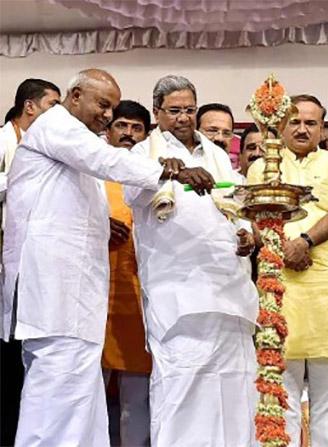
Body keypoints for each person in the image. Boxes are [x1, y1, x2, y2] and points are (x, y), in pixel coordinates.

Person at [1, 68, 212, 447]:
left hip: (76, 293)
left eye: (111, 108)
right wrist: (168, 170)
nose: (108, 115)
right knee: (55, 386)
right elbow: (108, 160)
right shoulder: (57, 126)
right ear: (76, 95)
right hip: (51, 286)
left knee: (80, 388)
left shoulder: (76, 139)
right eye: (103, 104)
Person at [125, 75, 258, 446]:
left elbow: (236, 200)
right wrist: (164, 170)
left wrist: (246, 231)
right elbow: (132, 194)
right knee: (183, 384)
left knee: (236, 383)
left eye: (189, 110)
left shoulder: (216, 153)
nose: (183, 118)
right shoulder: (144, 154)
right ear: (157, 113)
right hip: (179, 290)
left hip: (229, 288)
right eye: (174, 111)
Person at [247, 94, 328, 446]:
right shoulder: (261, 165)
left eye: (311, 122)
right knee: (284, 387)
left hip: (326, 285)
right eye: (295, 121)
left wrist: (305, 242)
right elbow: (252, 220)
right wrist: (281, 247)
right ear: (281, 125)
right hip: (279, 286)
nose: (302, 128)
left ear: (322, 128)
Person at [0, 78, 60, 446]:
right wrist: (21, 175)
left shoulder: (51, 146)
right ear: (30, 107)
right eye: (54, 105)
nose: (60, 113)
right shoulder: (4, 141)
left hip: (34, 267)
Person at [102, 100, 153, 446]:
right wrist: (97, 225)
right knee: (88, 393)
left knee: (136, 398)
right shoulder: (90, 168)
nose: (129, 134)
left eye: (137, 128)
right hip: (94, 297)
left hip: (138, 298)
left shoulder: (152, 172)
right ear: (108, 129)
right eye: (122, 125)